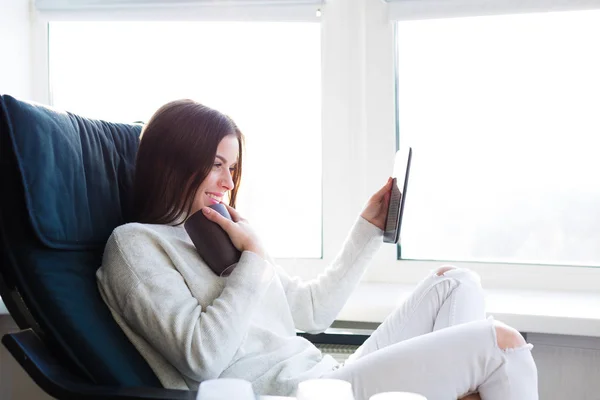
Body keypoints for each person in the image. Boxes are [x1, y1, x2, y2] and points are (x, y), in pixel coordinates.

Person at [96, 99, 538, 400]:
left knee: (455, 283)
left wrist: (367, 229)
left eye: (232, 168)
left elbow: (310, 310)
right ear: (174, 162)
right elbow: (203, 359)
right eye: (216, 166)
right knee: (501, 345)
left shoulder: (224, 232)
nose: (230, 183)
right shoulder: (135, 245)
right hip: (289, 394)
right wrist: (252, 259)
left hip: (325, 379)